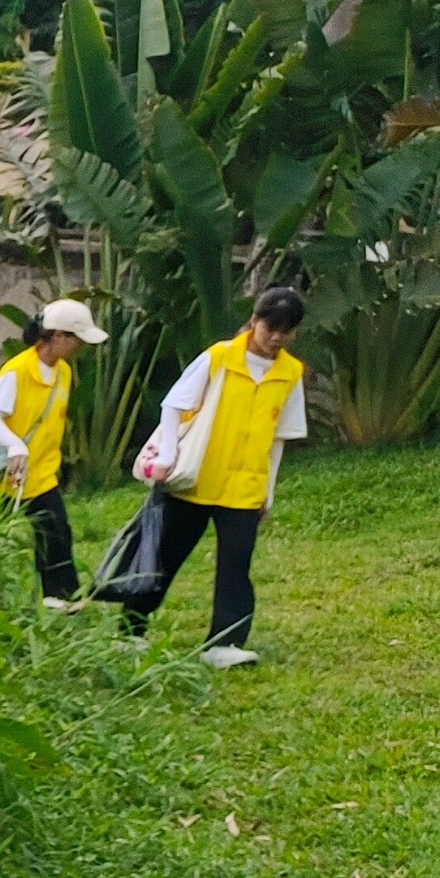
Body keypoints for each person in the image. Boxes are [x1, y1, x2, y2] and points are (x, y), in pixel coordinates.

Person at [122, 285, 307, 667]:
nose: (276, 337)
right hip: (195, 479)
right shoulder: (220, 357)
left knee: (236, 564)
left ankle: (224, 644)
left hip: (245, 486)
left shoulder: (291, 372)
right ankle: (131, 630)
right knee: (165, 556)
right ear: (254, 321)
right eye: (270, 327)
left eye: (286, 330)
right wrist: (168, 454)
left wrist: (268, 490)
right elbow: (174, 405)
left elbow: (279, 437)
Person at [0, 298, 108, 606]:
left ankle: (60, 600)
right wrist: (15, 445)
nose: (80, 347)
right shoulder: (17, 371)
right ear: (57, 336)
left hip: (40, 474)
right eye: (77, 339)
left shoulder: (63, 372)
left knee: (56, 532)